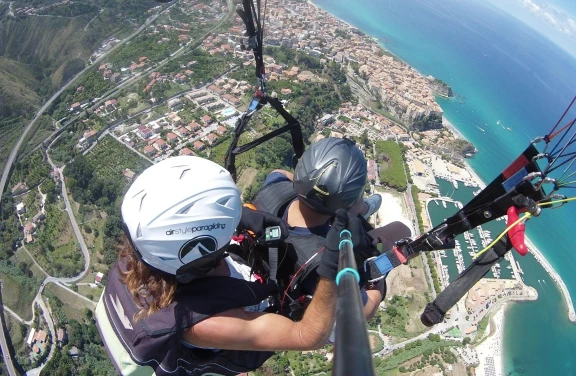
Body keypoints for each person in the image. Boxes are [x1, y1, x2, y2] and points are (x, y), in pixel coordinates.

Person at [95, 155, 372, 376]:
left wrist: (237, 220)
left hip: (207, 289)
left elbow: (185, 233)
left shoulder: (144, 251)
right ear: (203, 254)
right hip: (219, 341)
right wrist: (332, 269)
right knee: (362, 305)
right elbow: (307, 336)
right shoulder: (203, 324)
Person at [248, 137, 412, 321]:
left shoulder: (274, 185)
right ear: (349, 203)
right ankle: (361, 210)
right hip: (305, 274)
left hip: (271, 251)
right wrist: (383, 265)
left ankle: (360, 208)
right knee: (401, 230)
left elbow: (280, 172)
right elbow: (365, 311)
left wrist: (313, 191)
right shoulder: (327, 262)